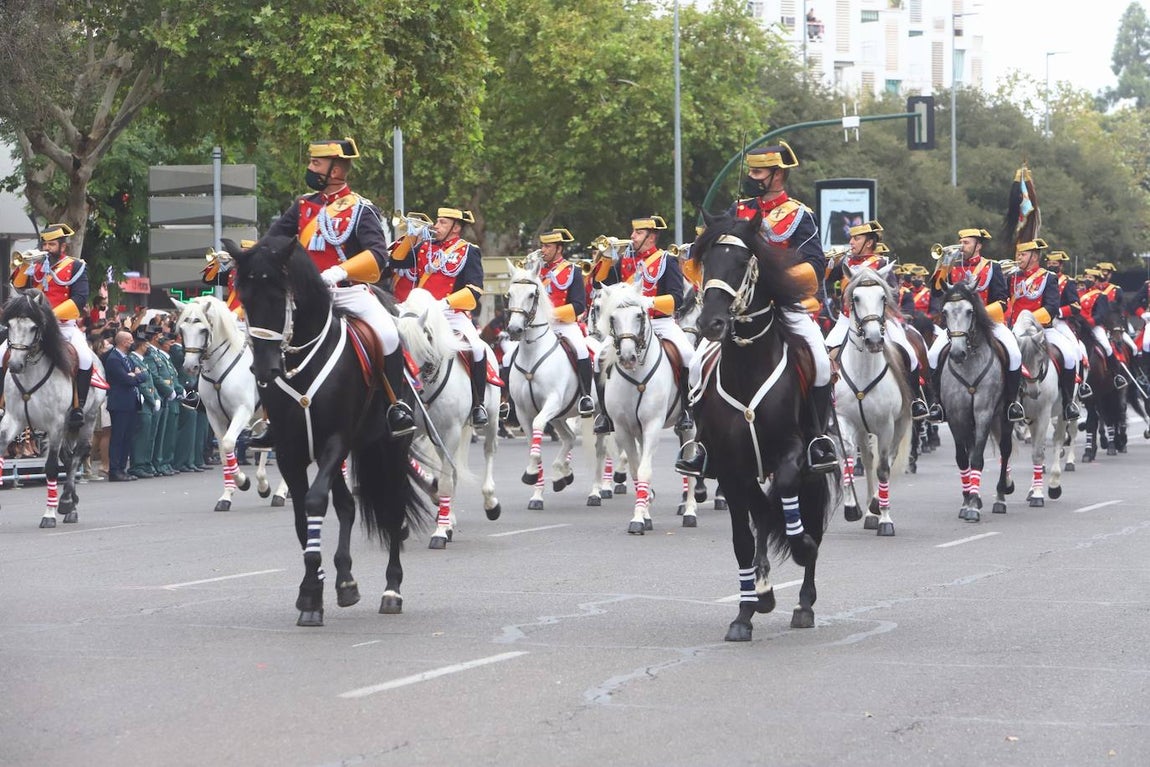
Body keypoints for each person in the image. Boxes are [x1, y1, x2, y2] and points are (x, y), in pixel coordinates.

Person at [680, 142, 836, 475]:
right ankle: (704, 443)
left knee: (821, 363)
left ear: (779, 174)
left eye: (759, 172)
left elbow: (814, 266)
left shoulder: (799, 215)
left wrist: (773, 281)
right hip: (739, 309)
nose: (753, 178)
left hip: (785, 306)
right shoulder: (736, 211)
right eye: (750, 171)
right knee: (696, 365)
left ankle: (816, 440)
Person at [262, 137, 415, 443]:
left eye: (316, 163)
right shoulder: (304, 206)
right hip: (305, 297)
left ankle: (395, 406)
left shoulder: (361, 209)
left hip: (348, 292)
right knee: (262, 337)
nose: (310, 168)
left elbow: (378, 254)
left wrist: (340, 271)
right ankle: (270, 417)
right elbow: (273, 240)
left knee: (387, 333)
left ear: (335, 170)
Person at [595, 215, 694, 435]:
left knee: (689, 357)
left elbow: (677, 299)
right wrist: (606, 257)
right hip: (628, 327)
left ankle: (687, 411)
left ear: (652, 237)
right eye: (633, 232)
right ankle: (604, 414)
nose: (632, 237)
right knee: (598, 357)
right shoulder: (624, 261)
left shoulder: (666, 260)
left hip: (660, 322)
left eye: (638, 233)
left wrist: (650, 302)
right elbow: (599, 283)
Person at [391, 206, 490, 427]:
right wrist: (411, 235)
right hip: (420, 312)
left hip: (450, 312)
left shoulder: (469, 251)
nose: (436, 226)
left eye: (442, 222)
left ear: (456, 228)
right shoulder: (424, 247)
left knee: (477, 347)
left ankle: (478, 404)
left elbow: (474, 290)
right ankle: (394, 402)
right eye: (437, 221)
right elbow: (395, 262)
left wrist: (445, 303)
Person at [824, 220, 928, 419]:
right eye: (851, 238)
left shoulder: (881, 264)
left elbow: (893, 295)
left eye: (857, 238)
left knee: (909, 354)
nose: (851, 242)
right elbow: (826, 280)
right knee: (823, 357)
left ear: (869, 242)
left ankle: (916, 401)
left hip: (877, 320)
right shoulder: (844, 263)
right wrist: (829, 263)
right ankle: (828, 402)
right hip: (847, 320)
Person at [5, 223, 94, 428]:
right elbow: (19, 287)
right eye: (45, 244)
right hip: (32, 326)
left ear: (63, 246)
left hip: (63, 325)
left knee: (85, 358)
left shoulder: (76, 265)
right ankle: (3, 402)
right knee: (2, 354)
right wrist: (24, 266)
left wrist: (51, 315)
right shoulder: (36, 265)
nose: (47, 248)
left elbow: (80, 298)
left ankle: (77, 407)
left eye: (52, 244)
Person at [1008, 239, 1081, 420]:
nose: (1019, 257)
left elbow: (1051, 307)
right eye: (1018, 254)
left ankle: (1068, 402)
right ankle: (1009, 403)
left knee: (1070, 355)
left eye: (1023, 254)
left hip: (1043, 328)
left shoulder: (1048, 277)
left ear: (1035, 256)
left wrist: (1029, 320)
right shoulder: (1011, 276)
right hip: (1015, 330)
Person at [537, 228, 594, 416]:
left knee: (582, 350)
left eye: (547, 246)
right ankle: (511, 402)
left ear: (559, 249)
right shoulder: (535, 270)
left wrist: (550, 314)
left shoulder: (573, 271)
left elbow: (578, 305)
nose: (543, 250)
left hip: (564, 324)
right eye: (542, 246)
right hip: (538, 326)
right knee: (509, 356)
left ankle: (586, 396)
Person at [104, 330, 146, 482]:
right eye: (129, 340)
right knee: (118, 437)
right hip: (120, 403)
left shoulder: (128, 358)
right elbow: (125, 380)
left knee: (127, 437)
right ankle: (114, 470)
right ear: (122, 342)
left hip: (131, 402)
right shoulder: (114, 359)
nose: (132, 341)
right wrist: (135, 376)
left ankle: (122, 468)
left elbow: (144, 374)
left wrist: (136, 375)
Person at [1078, 268, 1128, 389]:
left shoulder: (1101, 296)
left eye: (1090, 278)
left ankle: (1116, 375)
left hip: (1093, 326)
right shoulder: (1077, 293)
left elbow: (1101, 315)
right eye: (1086, 277)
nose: (1087, 280)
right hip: (1077, 326)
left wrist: (1088, 322)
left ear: (1096, 281)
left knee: (1106, 346)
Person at [128, 330, 161, 479]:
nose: (148, 346)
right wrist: (152, 399)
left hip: (149, 401)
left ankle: (146, 463)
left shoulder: (141, 360)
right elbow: (142, 384)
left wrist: (156, 397)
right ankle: (138, 465)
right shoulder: (133, 359)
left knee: (149, 435)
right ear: (141, 345)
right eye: (146, 343)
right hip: (142, 402)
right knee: (141, 436)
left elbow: (150, 381)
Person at [1094, 261, 1137, 357]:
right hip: (1097, 323)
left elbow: (1122, 309)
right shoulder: (1091, 290)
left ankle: (1136, 370)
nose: (1104, 275)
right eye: (1101, 272)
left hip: (1114, 324)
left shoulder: (1116, 290)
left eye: (1107, 273)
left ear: (1110, 275)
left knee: (1133, 348)